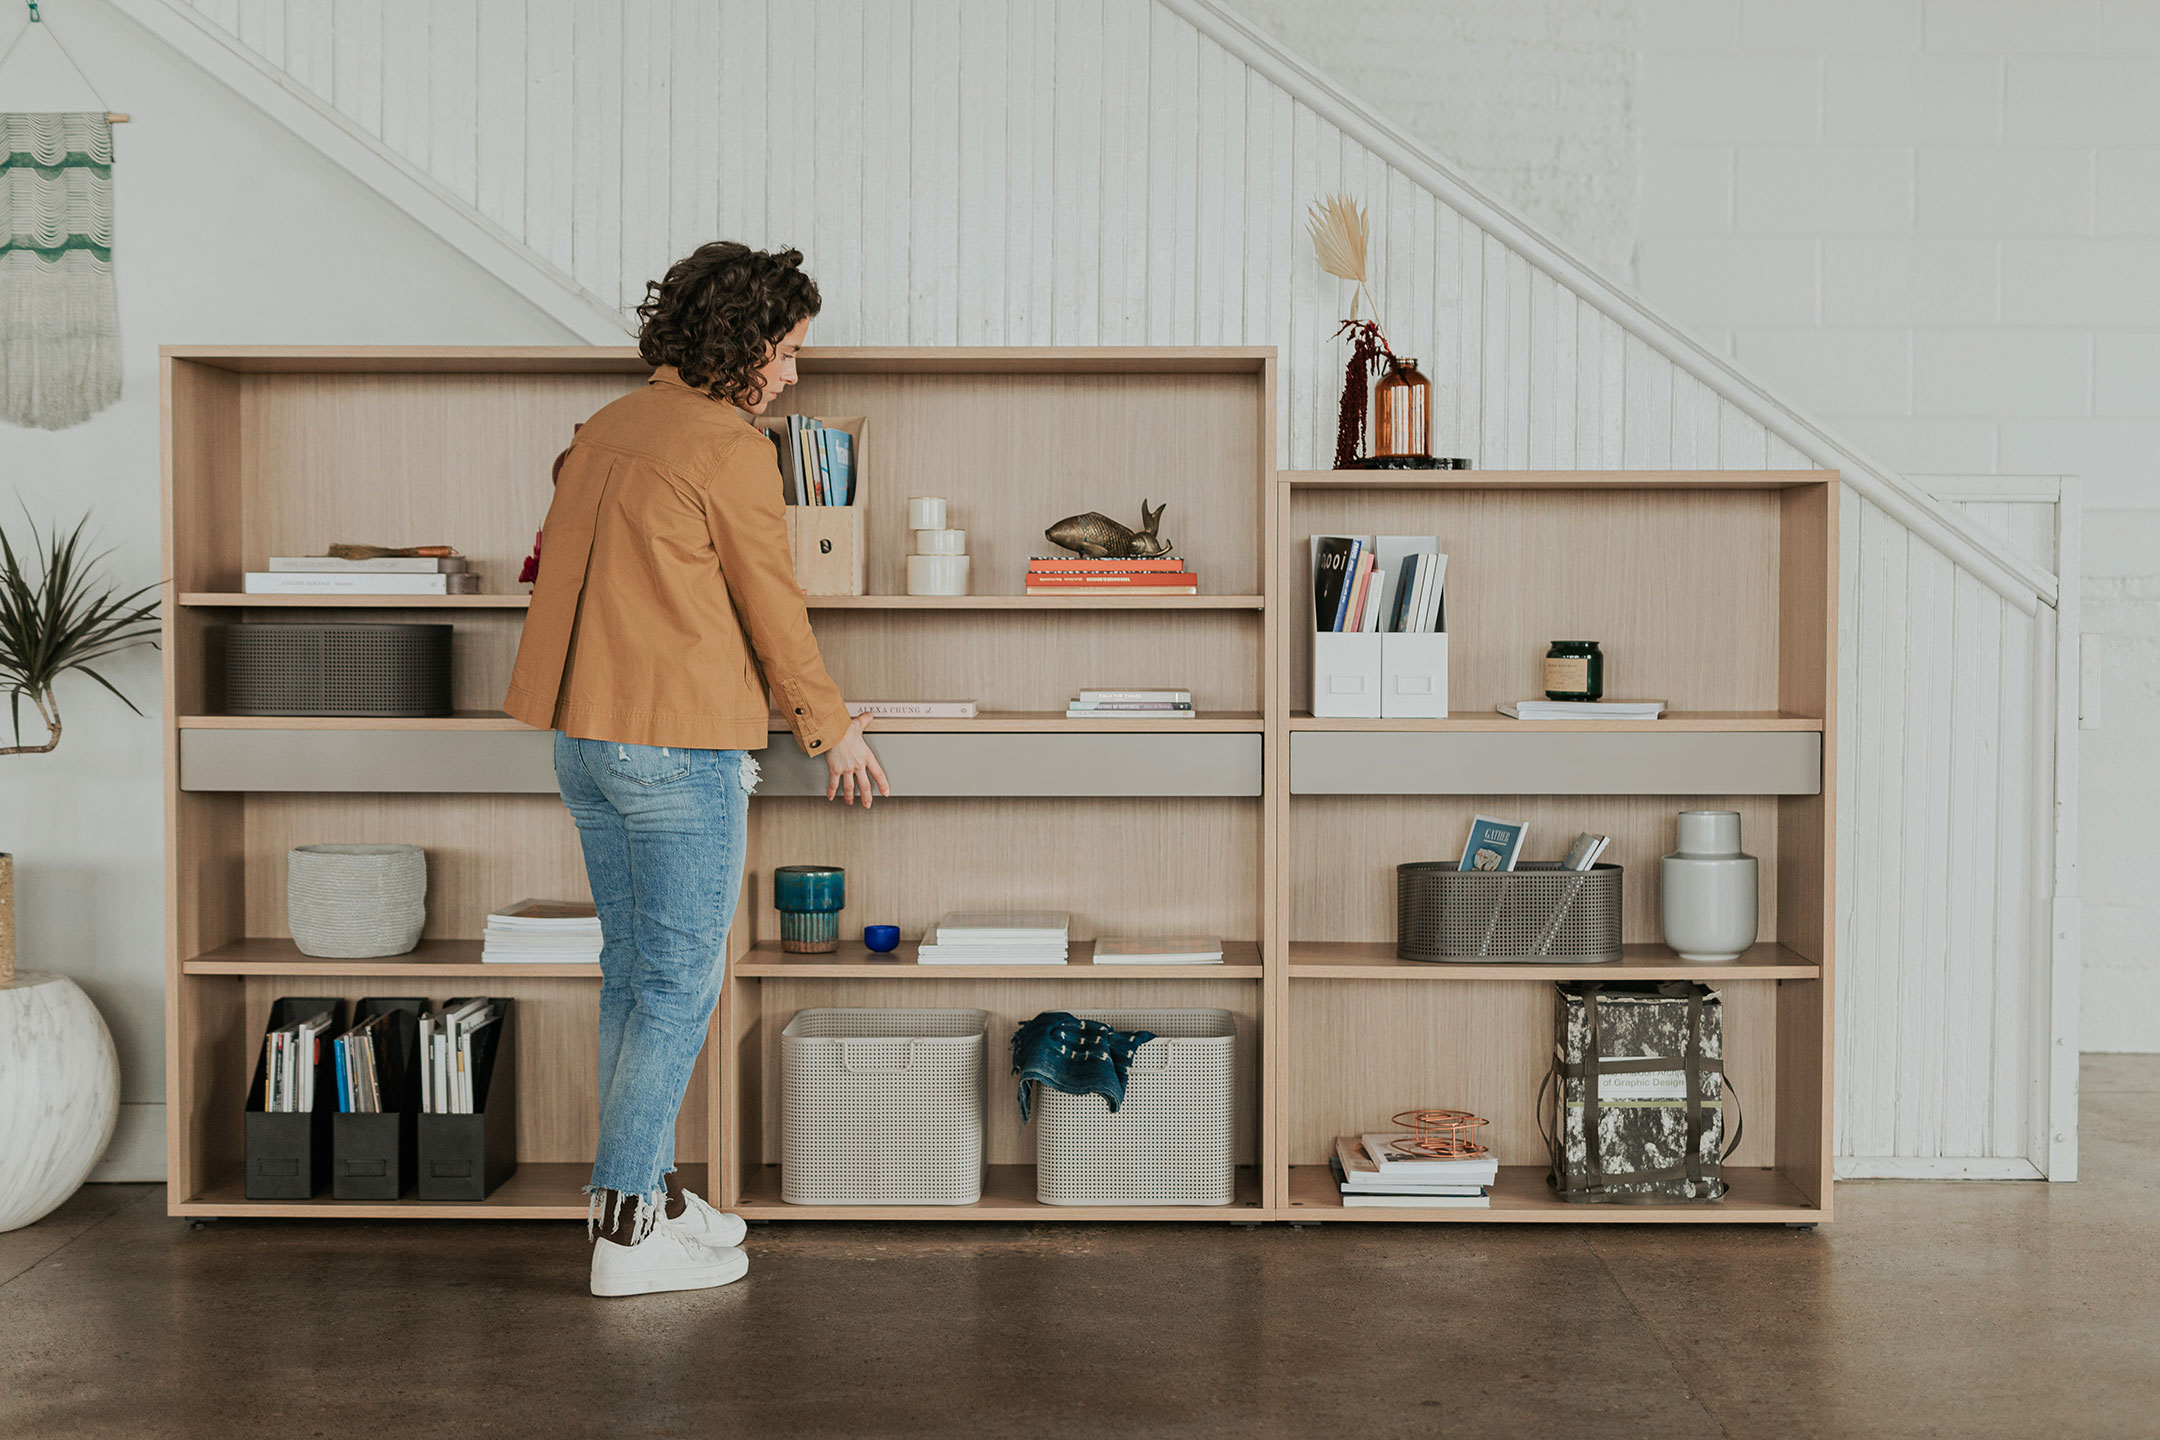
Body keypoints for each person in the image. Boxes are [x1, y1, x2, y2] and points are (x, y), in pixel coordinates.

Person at [506, 242, 889, 1297]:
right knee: (678, 987)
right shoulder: (729, 447)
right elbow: (774, 605)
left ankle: (653, 1199)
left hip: (584, 739)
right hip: (676, 745)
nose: (797, 374)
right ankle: (626, 1235)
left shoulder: (606, 431)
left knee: (633, 977)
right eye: (792, 349)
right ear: (747, 345)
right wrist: (831, 729)